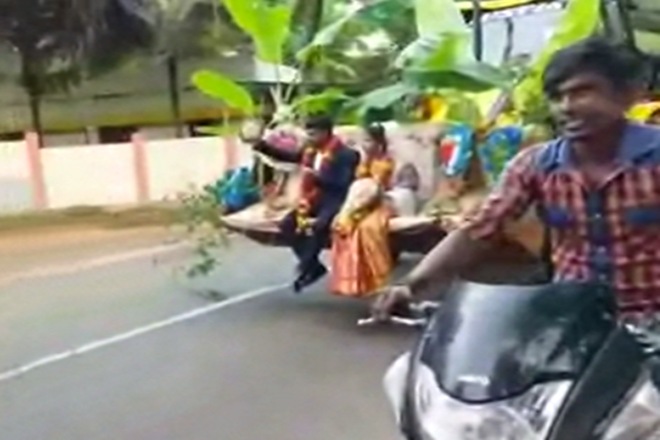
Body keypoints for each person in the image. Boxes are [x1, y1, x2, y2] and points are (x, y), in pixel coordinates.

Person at [373, 36, 660, 326]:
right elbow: (477, 231)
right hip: (573, 321)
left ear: (627, 94)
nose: (566, 106)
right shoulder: (536, 164)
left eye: (582, 92)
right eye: (557, 97)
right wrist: (410, 286)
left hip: (652, 323)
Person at [249, 115, 360, 293]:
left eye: (313, 134)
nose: (309, 138)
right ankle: (313, 266)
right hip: (313, 199)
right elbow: (288, 157)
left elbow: (343, 184)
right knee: (287, 225)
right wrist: (261, 145)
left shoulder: (347, 154)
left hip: (337, 199)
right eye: (308, 133)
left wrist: (317, 177)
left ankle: (307, 265)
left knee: (319, 225)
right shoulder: (310, 151)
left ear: (326, 133)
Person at [330, 124, 396, 301]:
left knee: (369, 229)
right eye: (363, 141)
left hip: (378, 203)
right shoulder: (365, 161)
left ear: (378, 143)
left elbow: (375, 189)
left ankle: (381, 282)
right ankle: (356, 283)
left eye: (368, 141)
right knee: (344, 226)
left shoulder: (385, 161)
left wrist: (357, 209)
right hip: (358, 203)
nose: (364, 145)